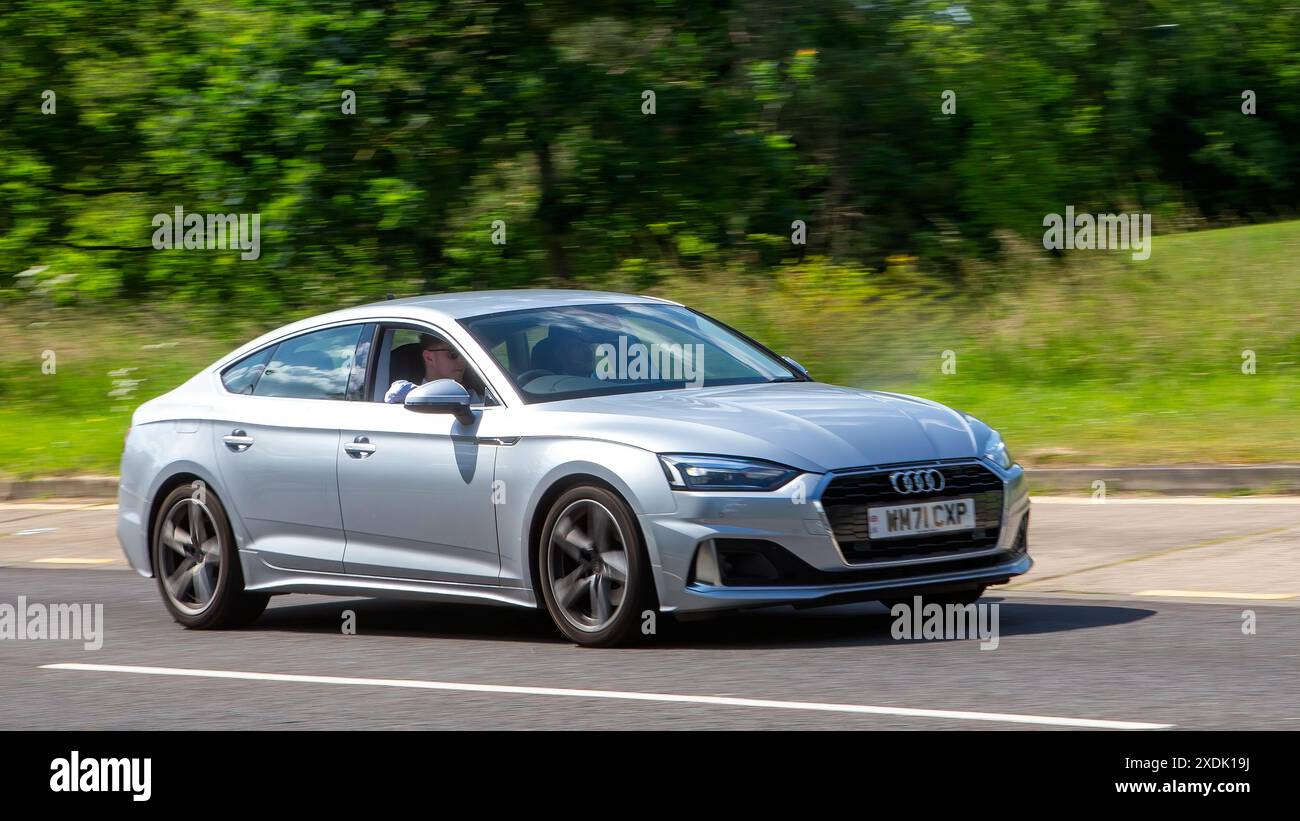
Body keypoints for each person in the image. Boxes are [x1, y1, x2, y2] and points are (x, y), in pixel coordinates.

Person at [385, 334, 484, 404]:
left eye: (465, 355)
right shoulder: (409, 395)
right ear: (429, 358)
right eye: (453, 354)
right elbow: (394, 394)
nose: (463, 361)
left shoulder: (476, 396)